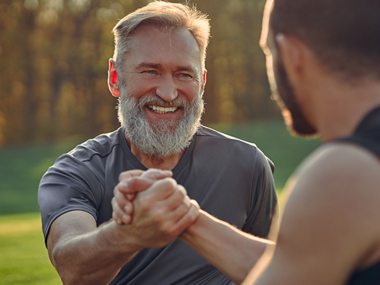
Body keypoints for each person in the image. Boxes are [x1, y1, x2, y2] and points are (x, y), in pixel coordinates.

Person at [114, 0, 380, 284]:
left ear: (291, 55)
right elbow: (291, 262)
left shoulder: (345, 174)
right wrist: (183, 216)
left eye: (269, 51)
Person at [38, 1, 277, 284]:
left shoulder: (247, 164)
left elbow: (277, 269)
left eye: (183, 74)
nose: (167, 92)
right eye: (150, 71)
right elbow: (72, 268)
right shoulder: (75, 172)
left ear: (201, 83)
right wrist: (129, 233)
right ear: (115, 78)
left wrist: (180, 216)